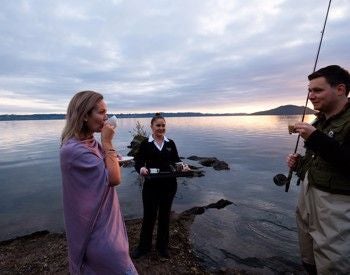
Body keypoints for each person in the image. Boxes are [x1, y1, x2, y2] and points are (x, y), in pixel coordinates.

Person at [60, 91, 137, 274]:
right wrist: (108, 142)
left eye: (106, 112)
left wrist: (110, 155)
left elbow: (104, 163)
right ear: (85, 115)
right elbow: (114, 178)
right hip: (97, 235)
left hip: (110, 224)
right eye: (101, 112)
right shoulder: (73, 150)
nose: (107, 118)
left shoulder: (90, 142)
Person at [286, 65, 350, 274]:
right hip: (309, 195)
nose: (311, 96)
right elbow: (319, 162)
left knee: (333, 261)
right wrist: (299, 165)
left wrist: (315, 138)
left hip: (337, 204)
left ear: (340, 89)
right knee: (308, 253)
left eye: (318, 90)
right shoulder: (319, 121)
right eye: (309, 91)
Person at [132, 113, 189, 259]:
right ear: (152, 127)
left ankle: (162, 248)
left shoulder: (170, 143)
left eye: (163, 125)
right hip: (151, 186)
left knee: (164, 217)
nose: (161, 128)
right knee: (149, 217)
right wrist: (141, 169)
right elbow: (138, 162)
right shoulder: (145, 143)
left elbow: (176, 160)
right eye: (158, 125)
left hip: (169, 186)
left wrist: (182, 166)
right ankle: (144, 247)